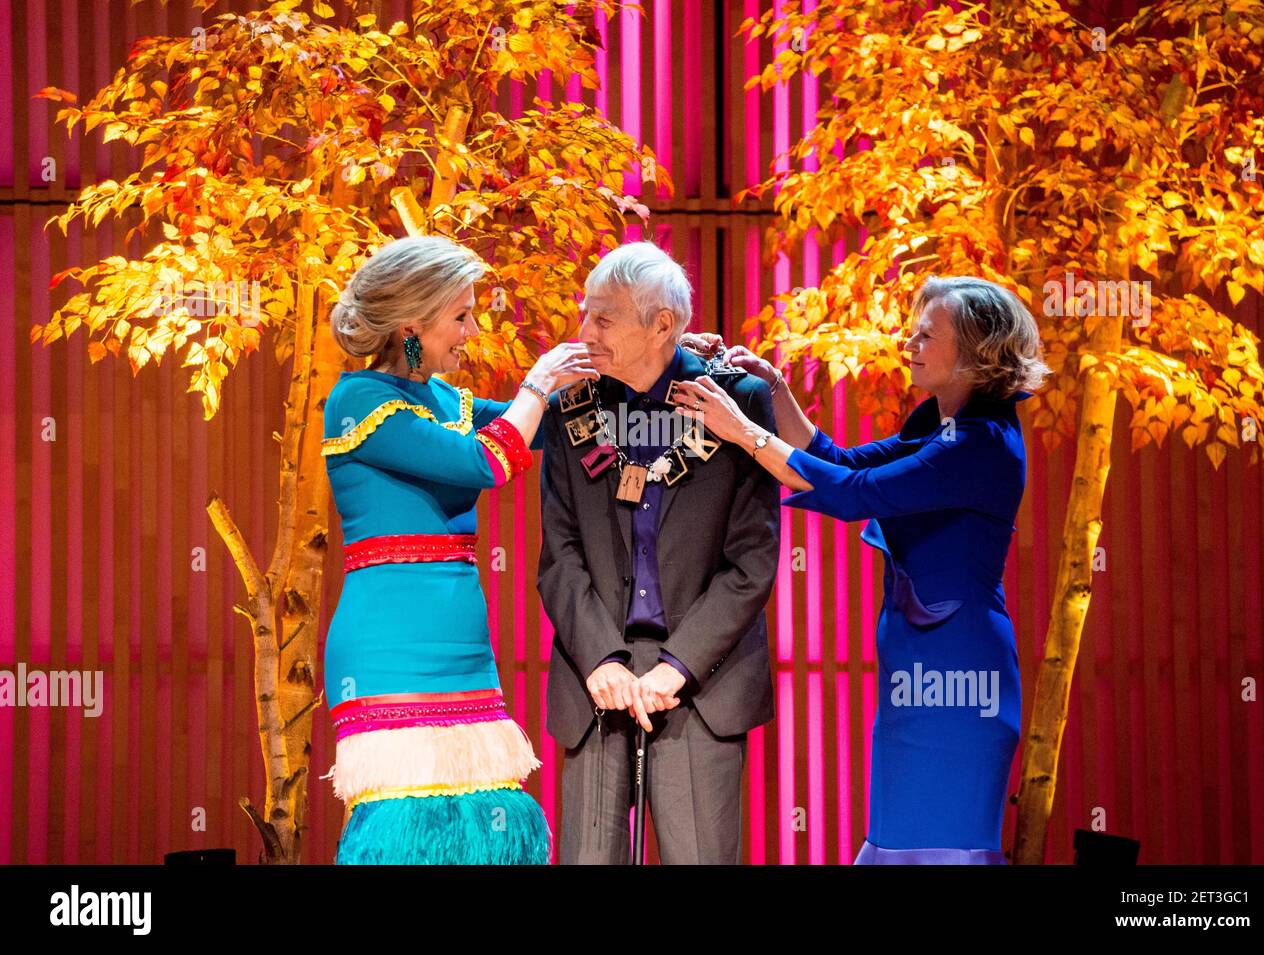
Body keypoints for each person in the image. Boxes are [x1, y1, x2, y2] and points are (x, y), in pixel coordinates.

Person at [670, 276, 1050, 864]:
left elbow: (852, 494)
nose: (911, 342)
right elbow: (839, 461)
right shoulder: (938, 423)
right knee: (897, 840)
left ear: (976, 351)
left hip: (960, 674)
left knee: (940, 847)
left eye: (929, 333)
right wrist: (774, 392)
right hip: (914, 665)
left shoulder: (981, 443)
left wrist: (744, 432)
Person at [320, 235, 596, 864]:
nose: (472, 330)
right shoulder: (357, 400)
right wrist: (536, 384)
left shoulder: (449, 401)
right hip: (388, 646)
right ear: (413, 327)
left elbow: (552, 427)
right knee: (408, 827)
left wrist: (643, 366)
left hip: (463, 645)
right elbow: (487, 461)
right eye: (461, 316)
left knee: (483, 827)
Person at [537, 241, 780, 864]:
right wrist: (599, 660)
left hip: (700, 673)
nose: (584, 332)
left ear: (662, 325)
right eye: (586, 314)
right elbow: (559, 556)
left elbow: (751, 563)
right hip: (597, 671)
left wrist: (678, 665)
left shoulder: (739, 403)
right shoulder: (572, 405)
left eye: (604, 319)